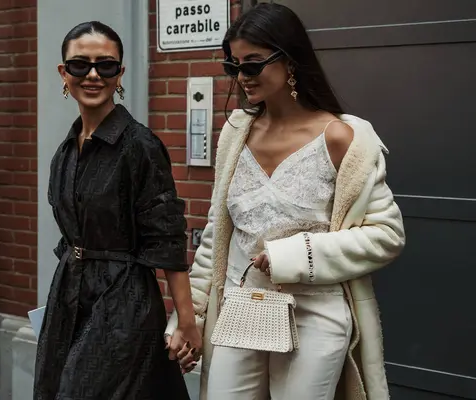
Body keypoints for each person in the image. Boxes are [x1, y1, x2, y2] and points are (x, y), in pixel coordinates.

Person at [165, 3, 406, 400]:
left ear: (290, 60)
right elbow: (216, 239)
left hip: (314, 314)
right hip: (240, 307)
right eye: (234, 66)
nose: (242, 77)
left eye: (253, 64)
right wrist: (188, 319)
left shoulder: (342, 137)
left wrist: (296, 254)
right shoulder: (235, 132)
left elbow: (386, 234)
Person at [33, 21, 201, 400]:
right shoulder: (66, 150)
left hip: (123, 300)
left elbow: (167, 238)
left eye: (105, 66)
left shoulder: (139, 145)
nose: (92, 75)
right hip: (69, 297)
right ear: (64, 73)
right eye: (80, 65)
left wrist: (186, 321)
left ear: (120, 73)